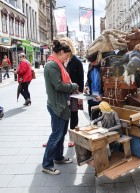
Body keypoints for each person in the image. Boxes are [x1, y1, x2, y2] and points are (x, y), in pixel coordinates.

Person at [42, 40, 78, 175]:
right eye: (66, 56)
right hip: (57, 105)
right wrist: (73, 86)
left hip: (61, 104)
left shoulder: (57, 65)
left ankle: (58, 157)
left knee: (61, 134)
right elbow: (59, 86)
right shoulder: (52, 66)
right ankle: (47, 164)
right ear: (61, 52)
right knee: (56, 135)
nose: (67, 59)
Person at [60, 37, 84, 147]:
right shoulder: (60, 61)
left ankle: (73, 137)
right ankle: (59, 136)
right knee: (63, 113)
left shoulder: (76, 62)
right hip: (63, 92)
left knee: (73, 114)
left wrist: (80, 95)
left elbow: (81, 79)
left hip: (74, 91)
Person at [84, 52, 103, 120]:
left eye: (94, 62)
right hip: (92, 98)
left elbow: (107, 86)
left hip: (101, 100)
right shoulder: (91, 66)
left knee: (103, 121)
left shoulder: (103, 68)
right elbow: (89, 81)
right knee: (92, 120)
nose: (92, 64)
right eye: (91, 62)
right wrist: (86, 87)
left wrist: (102, 96)